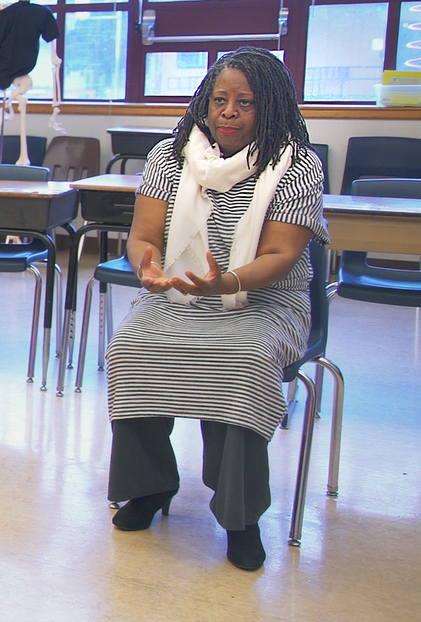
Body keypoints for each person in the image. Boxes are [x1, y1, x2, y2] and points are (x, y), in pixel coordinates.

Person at [105, 47, 327, 573]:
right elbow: (141, 238)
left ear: (269, 108)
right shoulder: (170, 156)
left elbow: (280, 254)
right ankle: (150, 486)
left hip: (267, 301)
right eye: (219, 100)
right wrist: (148, 269)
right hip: (180, 293)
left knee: (241, 361)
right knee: (131, 347)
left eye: (245, 103)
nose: (228, 112)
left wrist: (224, 282)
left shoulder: (296, 165)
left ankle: (240, 516)